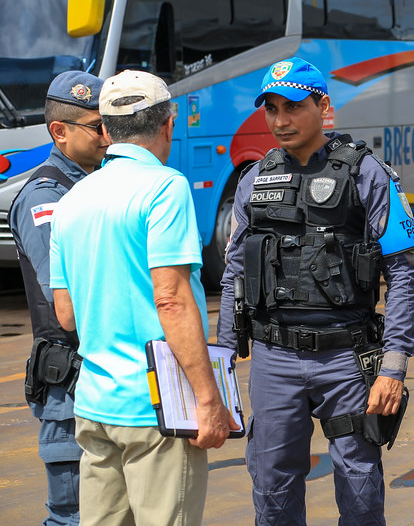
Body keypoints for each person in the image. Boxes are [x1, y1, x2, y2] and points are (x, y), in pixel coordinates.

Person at [217, 57, 414, 525]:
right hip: (273, 360)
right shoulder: (253, 180)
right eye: (271, 109)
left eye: (292, 106)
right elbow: (234, 271)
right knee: (271, 486)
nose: (281, 120)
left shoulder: (369, 175)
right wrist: (223, 355)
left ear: (323, 104)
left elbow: (404, 273)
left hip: (346, 358)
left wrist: (393, 366)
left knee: (360, 486)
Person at [49, 70, 237, 526]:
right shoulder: (165, 188)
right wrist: (209, 400)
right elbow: (170, 300)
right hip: (156, 408)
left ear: (107, 131)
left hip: (94, 407)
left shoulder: (71, 200)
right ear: (169, 125)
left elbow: (66, 314)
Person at [10, 71, 107, 526]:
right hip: (68, 381)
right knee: (72, 515)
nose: (108, 136)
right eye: (97, 126)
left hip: (104, 375)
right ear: (60, 131)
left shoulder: (98, 184)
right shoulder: (46, 198)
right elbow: (64, 300)